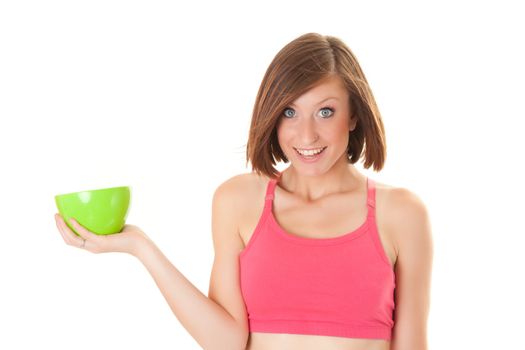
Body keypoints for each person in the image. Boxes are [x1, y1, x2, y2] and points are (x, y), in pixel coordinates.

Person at [54, 32, 433, 350]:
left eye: (325, 111)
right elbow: (226, 341)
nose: (306, 135)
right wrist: (140, 247)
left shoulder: (401, 213)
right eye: (289, 112)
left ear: (354, 115)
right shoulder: (237, 201)